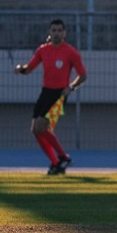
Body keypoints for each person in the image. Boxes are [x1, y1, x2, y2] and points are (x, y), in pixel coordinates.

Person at [14, 19, 87, 175]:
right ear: (49, 32)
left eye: (59, 30)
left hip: (59, 94)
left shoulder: (70, 52)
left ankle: (63, 156)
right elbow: (29, 68)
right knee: (35, 130)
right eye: (53, 30)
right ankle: (56, 163)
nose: (56, 33)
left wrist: (71, 87)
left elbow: (83, 75)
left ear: (64, 33)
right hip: (45, 92)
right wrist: (20, 69)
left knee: (41, 127)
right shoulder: (43, 50)